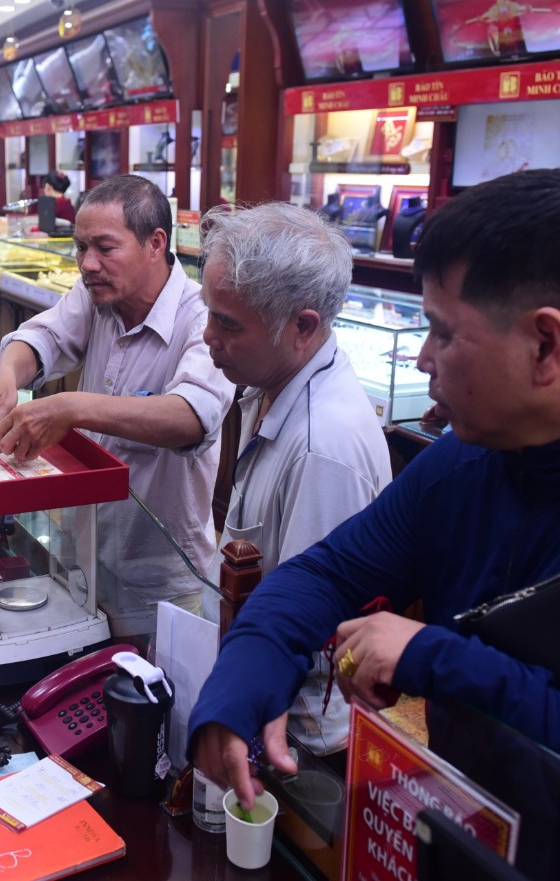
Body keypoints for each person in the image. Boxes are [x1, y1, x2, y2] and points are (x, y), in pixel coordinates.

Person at [188, 168, 560, 877]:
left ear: (544, 345)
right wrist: (234, 692)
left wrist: (437, 659)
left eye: (442, 332)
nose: (421, 358)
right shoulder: (470, 459)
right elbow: (326, 571)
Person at [0, 174, 234, 627]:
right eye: (80, 248)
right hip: (82, 551)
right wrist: (6, 379)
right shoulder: (99, 298)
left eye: (105, 248)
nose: (88, 264)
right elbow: (40, 336)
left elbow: (190, 416)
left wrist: (71, 408)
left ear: (155, 243)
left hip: (163, 576)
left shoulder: (200, 317)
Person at [198, 202, 390, 755]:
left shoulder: (322, 446)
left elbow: (309, 629)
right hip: (249, 696)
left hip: (290, 739)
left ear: (303, 326)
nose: (208, 336)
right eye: (210, 313)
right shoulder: (270, 381)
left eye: (228, 323)